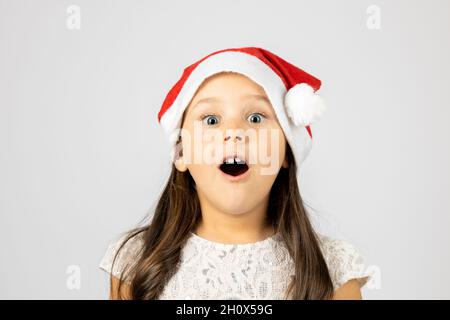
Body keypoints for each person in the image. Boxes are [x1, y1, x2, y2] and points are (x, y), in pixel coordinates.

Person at [99, 47, 373, 300]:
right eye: (211, 120)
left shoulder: (334, 271)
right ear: (181, 152)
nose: (233, 132)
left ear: (287, 152)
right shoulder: (135, 263)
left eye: (255, 118)